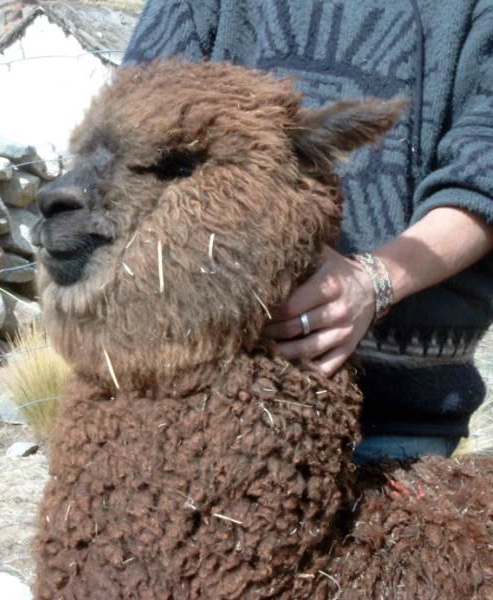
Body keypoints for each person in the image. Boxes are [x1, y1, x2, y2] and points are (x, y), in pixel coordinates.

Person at [123, 0, 493, 462]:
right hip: (201, 390)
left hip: (401, 419)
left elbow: (483, 170)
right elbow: (135, 125)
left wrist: (373, 282)